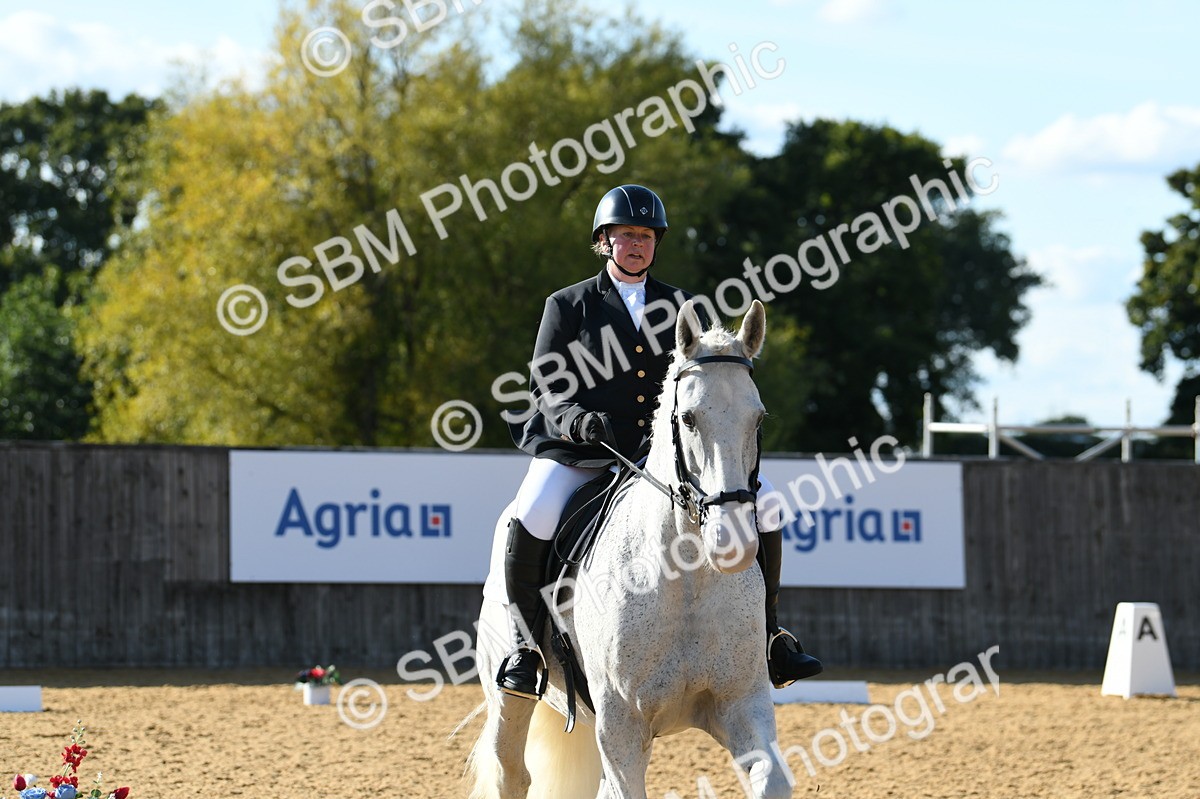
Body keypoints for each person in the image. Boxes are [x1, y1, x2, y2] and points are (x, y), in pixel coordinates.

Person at [492, 184, 822, 700]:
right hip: (584, 450)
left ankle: (771, 635)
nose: (637, 244)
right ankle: (525, 647)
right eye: (626, 235)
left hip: (663, 456)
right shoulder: (569, 304)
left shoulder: (678, 304)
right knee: (532, 510)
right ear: (605, 241)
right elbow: (545, 385)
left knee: (771, 505)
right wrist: (578, 421)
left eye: (645, 235)